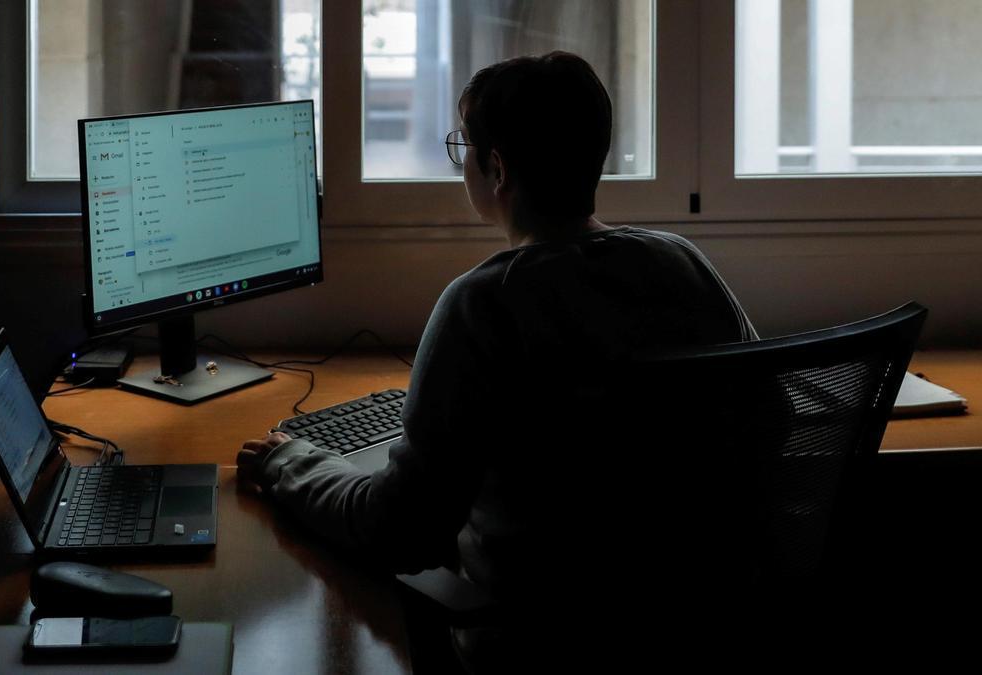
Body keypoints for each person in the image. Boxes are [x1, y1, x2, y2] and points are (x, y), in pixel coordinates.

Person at [237, 52, 756, 671]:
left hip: (533, 645)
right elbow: (769, 420)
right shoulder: (684, 264)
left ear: (498, 168)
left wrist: (290, 462)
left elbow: (397, 530)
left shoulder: (484, 303)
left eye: (464, 148)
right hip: (689, 632)